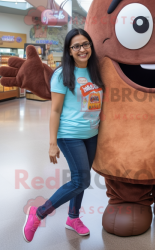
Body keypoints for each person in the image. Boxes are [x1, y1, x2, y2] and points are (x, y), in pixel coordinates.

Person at [22, 28, 104, 243]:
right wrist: (52, 143)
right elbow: (55, 110)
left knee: (81, 181)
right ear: (69, 51)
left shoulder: (96, 71)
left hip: (91, 134)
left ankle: (73, 219)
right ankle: (38, 213)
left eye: (85, 44)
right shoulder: (62, 75)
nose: (82, 49)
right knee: (81, 180)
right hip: (69, 135)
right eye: (76, 46)